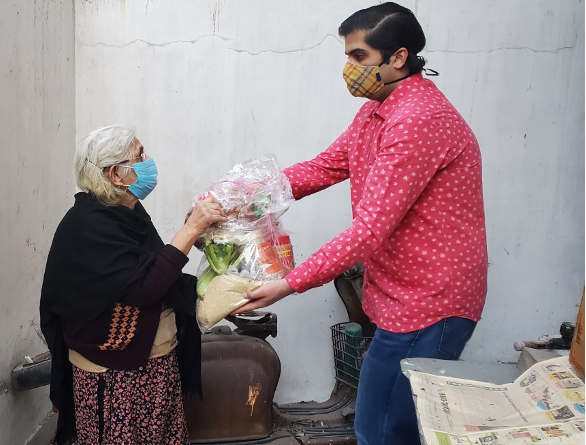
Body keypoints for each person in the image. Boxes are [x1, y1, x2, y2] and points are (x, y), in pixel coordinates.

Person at [234, 3, 488, 444]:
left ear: (398, 57)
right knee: (385, 424)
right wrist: (238, 199)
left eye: (359, 57)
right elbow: (323, 167)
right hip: (401, 295)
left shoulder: (419, 120)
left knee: (383, 429)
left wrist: (289, 283)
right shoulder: (375, 112)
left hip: (430, 300)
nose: (349, 68)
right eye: (348, 56)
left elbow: (370, 229)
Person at [39, 125, 226, 444]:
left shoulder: (127, 212)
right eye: (139, 156)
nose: (148, 160)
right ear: (115, 174)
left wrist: (197, 238)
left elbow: (152, 265)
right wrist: (191, 229)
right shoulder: (87, 227)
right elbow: (144, 288)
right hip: (115, 378)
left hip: (152, 366)